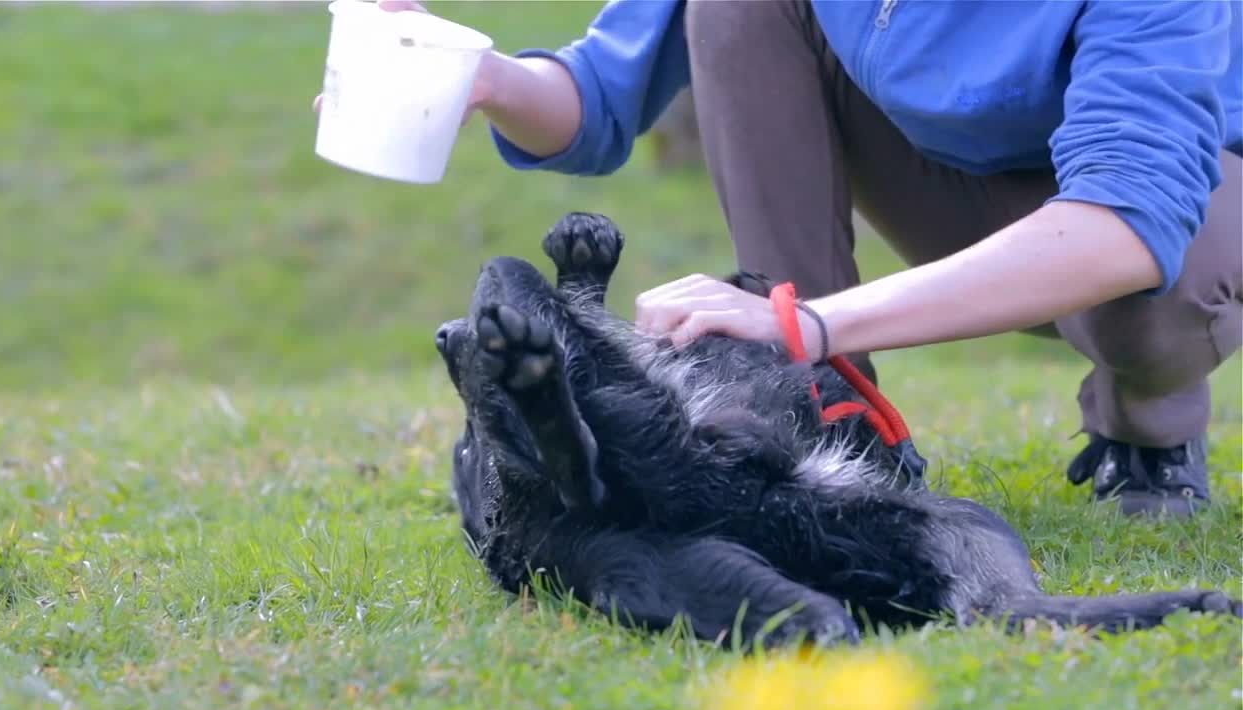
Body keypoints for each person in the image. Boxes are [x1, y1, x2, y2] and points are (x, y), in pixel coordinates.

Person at [325, 0, 1242, 517]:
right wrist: (478, 78)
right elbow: (597, 97)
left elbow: (1127, 219)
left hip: (1173, 203)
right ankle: (829, 412)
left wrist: (801, 322)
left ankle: (1148, 434)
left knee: (1152, 297)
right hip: (951, 172)